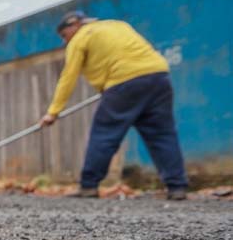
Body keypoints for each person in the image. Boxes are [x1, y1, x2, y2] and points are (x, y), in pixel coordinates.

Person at [40, 11, 188, 200]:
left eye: (64, 35)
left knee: (104, 134)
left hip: (123, 81)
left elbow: (68, 77)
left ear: (73, 26)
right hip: (158, 76)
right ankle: (177, 187)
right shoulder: (117, 25)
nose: (65, 41)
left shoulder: (80, 38)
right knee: (162, 135)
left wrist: (53, 112)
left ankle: (89, 186)